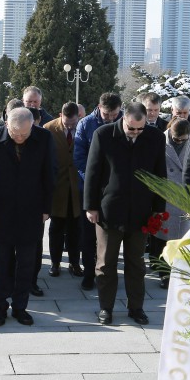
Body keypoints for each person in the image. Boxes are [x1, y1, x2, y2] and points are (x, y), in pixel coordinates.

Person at [84, 102, 166, 325]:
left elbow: (161, 175)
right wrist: (90, 207)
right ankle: (106, 308)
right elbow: (92, 172)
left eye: (141, 129)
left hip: (141, 212)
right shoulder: (103, 135)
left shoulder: (155, 137)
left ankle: (136, 307)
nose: (136, 133)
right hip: (109, 211)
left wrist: (159, 209)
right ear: (123, 119)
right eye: (132, 128)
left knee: (136, 263)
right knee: (106, 263)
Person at [0, 107, 55, 327]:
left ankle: (20, 307)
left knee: (26, 263)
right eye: (15, 133)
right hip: (1, 211)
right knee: (0, 263)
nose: (20, 137)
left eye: (25, 133)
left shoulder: (43, 137)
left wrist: (46, 208)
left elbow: (49, 173)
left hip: (31, 211)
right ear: (6, 125)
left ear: (33, 125)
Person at [72, 92, 122, 291]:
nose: (110, 118)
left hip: (116, 189)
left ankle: (108, 272)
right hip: (91, 188)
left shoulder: (125, 123)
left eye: (114, 114)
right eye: (107, 114)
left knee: (113, 235)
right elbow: (79, 158)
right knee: (88, 235)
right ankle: (88, 272)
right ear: (99, 107)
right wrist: (95, 181)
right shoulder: (86, 124)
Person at [151, 118, 190, 289]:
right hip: (166, 195)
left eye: (184, 139)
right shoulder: (159, 140)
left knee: (183, 238)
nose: (180, 142)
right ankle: (165, 274)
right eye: (177, 139)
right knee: (165, 238)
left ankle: (181, 272)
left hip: (185, 196)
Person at [43, 101, 83, 278]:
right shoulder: (49, 128)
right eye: (66, 123)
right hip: (57, 186)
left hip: (77, 187)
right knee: (56, 228)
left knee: (76, 228)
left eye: (72, 123)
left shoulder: (83, 127)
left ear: (78, 117)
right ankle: (55, 263)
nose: (69, 126)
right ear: (61, 115)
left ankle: (75, 263)